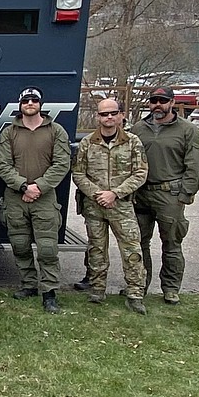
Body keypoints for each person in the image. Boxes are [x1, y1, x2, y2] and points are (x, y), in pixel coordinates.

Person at [0, 86, 71, 314]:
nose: (30, 103)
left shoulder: (56, 131)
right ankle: (28, 285)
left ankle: (49, 293)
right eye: (26, 100)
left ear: (40, 104)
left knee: (47, 248)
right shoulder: (9, 133)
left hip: (44, 198)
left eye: (34, 100)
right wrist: (23, 186)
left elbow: (62, 164)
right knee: (19, 245)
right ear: (20, 104)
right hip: (15, 197)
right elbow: (3, 165)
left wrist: (39, 187)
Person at [129, 86, 199, 305]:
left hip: (169, 194)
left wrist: (186, 194)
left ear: (172, 103)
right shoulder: (138, 129)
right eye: (154, 100)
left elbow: (194, 165)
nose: (158, 105)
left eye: (163, 100)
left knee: (171, 243)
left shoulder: (187, 130)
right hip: (141, 193)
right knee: (139, 243)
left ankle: (171, 288)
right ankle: (139, 286)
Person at [72, 98, 149, 314]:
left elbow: (141, 173)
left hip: (122, 206)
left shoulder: (132, 142)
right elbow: (78, 173)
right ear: (97, 116)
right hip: (95, 206)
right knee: (96, 249)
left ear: (121, 115)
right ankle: (97, 289)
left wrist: (115, 193)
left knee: (132, 251)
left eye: (113, 113)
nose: (109, 117)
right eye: (104, 114)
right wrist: (97, 194)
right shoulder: (87, 143)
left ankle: (135, 293)